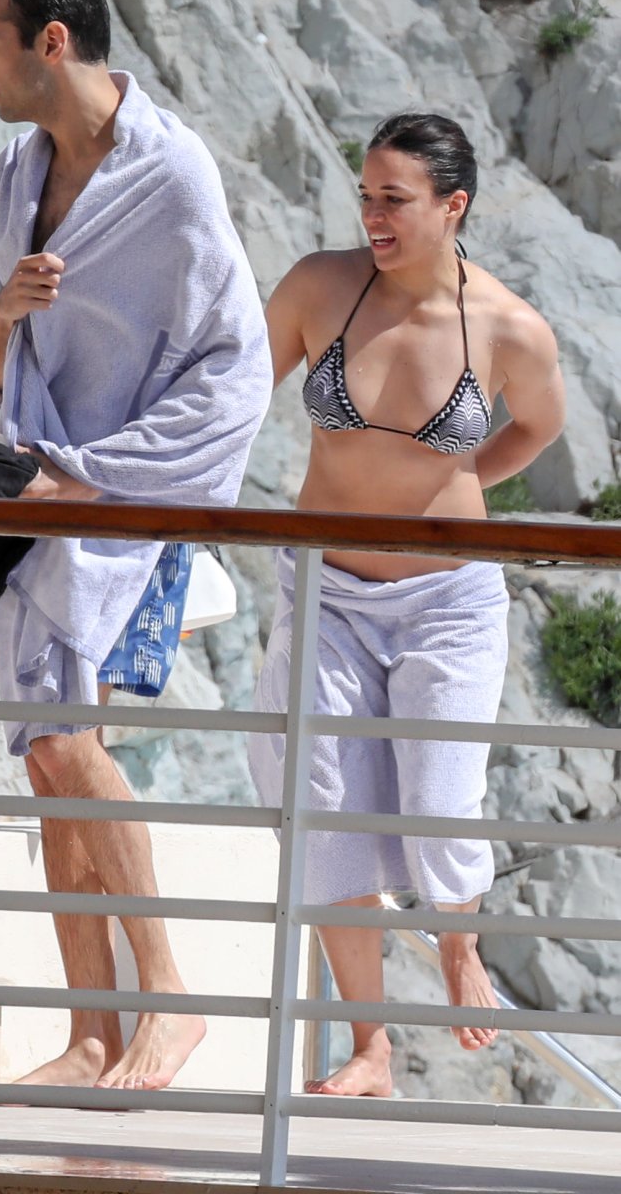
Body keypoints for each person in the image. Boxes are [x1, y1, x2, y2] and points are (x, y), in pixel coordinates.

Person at [0, 0, 271, 1092]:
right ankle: (91, 1031)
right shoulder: (14, 171)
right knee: (48, 762)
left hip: (123, 505)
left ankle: (169, 998)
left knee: (66, 744)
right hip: (36, 496)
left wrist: (99, 478)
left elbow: (233, 372)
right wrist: (6, 314)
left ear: (52, 42)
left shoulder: (172, 174)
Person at [247, 113, 565, 1097]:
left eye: (394, 198)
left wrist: (456, 479)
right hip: (328, 589)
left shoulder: (508, 326)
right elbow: (235, 389)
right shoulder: (319, 286)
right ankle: (370, 1048)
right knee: (325, 804)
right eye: (365, 195)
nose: (372, 215)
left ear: (451, 205)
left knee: (437, 796)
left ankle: (459, 944)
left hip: (448, 599)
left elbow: (536, 429)